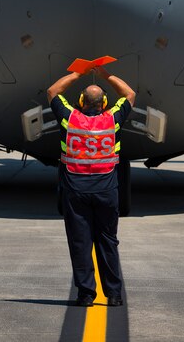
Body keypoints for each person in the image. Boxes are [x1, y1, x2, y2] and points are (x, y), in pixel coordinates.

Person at [47, 64, 136, 307]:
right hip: (106, 191)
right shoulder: (112, 121)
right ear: (105, 103)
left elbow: (53, 92)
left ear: (80, 102)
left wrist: (78, 73)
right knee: (108, 241)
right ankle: (114, 294)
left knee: (80, 243)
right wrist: (106, 73)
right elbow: (130, 94)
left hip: (75, 192)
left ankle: (86, 294)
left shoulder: (70, 119)